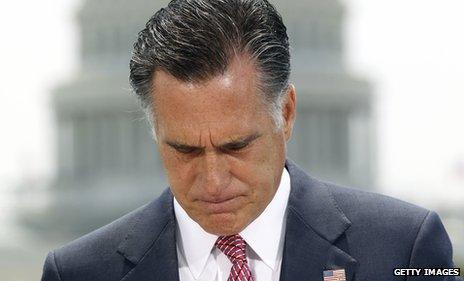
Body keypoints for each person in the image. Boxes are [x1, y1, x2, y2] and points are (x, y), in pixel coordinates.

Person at [41, 0, 461, 280]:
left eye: (236, 146)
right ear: (154, 131)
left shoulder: (403, 249)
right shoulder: (79, 271)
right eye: (184, 149)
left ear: (288, 113)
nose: (212, 181)